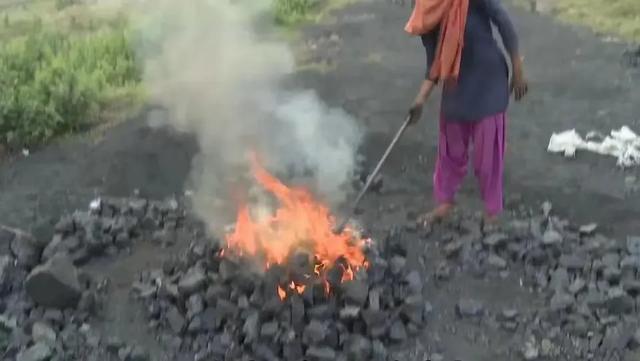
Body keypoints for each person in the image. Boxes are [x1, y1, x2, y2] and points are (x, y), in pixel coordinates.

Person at [405, 0, 528, 226]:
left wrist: (517, 69)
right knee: (450, 147)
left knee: (487, 153)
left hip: (488, 79)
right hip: (456, 83)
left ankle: (492, 211)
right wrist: (419, 101)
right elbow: (433, 64)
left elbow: (503, 21)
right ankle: (444, 203)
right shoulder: (426, 13)